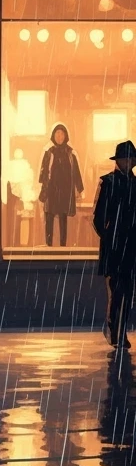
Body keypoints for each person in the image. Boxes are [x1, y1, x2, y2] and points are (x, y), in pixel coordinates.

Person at [93, 139, 136, 349]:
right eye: (124, 159)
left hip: (131, 248)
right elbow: (98, 217)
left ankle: (121, 330)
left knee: (127, 292)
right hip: (116, 247)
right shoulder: (108, 183)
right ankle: (116, 330)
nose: (127, 163)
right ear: (118, 160)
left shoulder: (134, 185)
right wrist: (110, 236)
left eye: (130, 159)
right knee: (117, 291)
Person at [39, 123, 83, 247]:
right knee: (49, 217)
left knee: (63, 218)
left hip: (65, 190)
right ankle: (49, 244)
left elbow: (76, 172)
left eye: (61, 134)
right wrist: (43, 189)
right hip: (51, 190)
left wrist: (79, 189)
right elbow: (44, 172)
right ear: (53, 136)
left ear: (65, 136)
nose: (59, 136)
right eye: (57, 134)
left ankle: (63, 246)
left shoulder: (70, 153)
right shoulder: (49, 153)